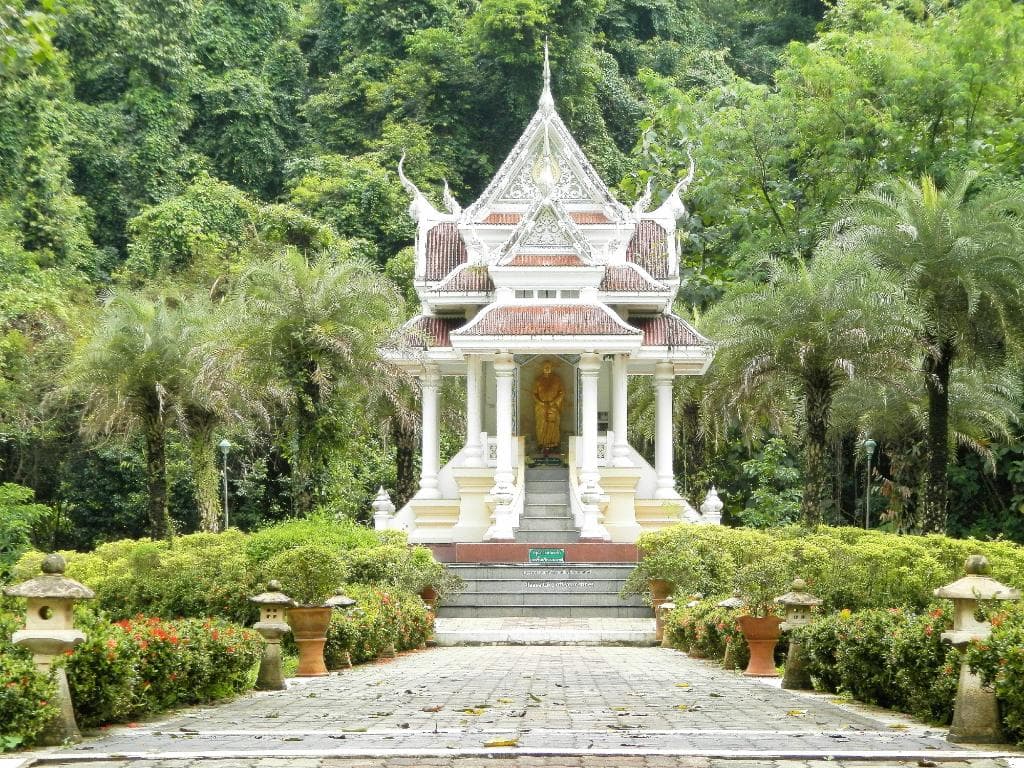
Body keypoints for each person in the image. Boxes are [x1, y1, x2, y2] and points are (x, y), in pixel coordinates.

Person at [533, 361, 564, 452]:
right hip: (541, 407)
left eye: (549, 366)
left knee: (553, 424)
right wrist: (541, 403)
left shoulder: (557, 379)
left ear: (552, 368)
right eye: (545, 366)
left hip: (553, 406)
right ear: (542, 368)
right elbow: (534, 394)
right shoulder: (538, 380)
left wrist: (553, 402)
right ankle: (541, 443)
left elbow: (561, 393)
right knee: (541, 424)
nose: (547, 368)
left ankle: (553, 444)